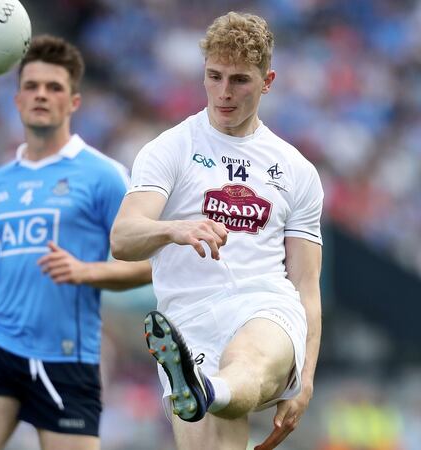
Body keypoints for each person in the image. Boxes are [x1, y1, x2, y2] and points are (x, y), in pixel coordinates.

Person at [110, 12, 322, 450]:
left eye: (240, 80)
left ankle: (208, 390)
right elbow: (123, 238)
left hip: (265, 306)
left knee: (245, 358)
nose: (224, 92)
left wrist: (305, 381)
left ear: (267, 81)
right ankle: (202, 385)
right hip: (187, 327)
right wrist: (174, 229)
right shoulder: (170, 148)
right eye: (214, 76)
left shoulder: (296, 170)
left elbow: (306, 284)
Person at [0, 35, 152, 450]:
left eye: (54, 87)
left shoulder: (104, 176)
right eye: (32, 86)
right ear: (17, 100)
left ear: (74, 102)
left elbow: (152, 264)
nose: (41, 95)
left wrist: (86, 271)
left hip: (67, 356)